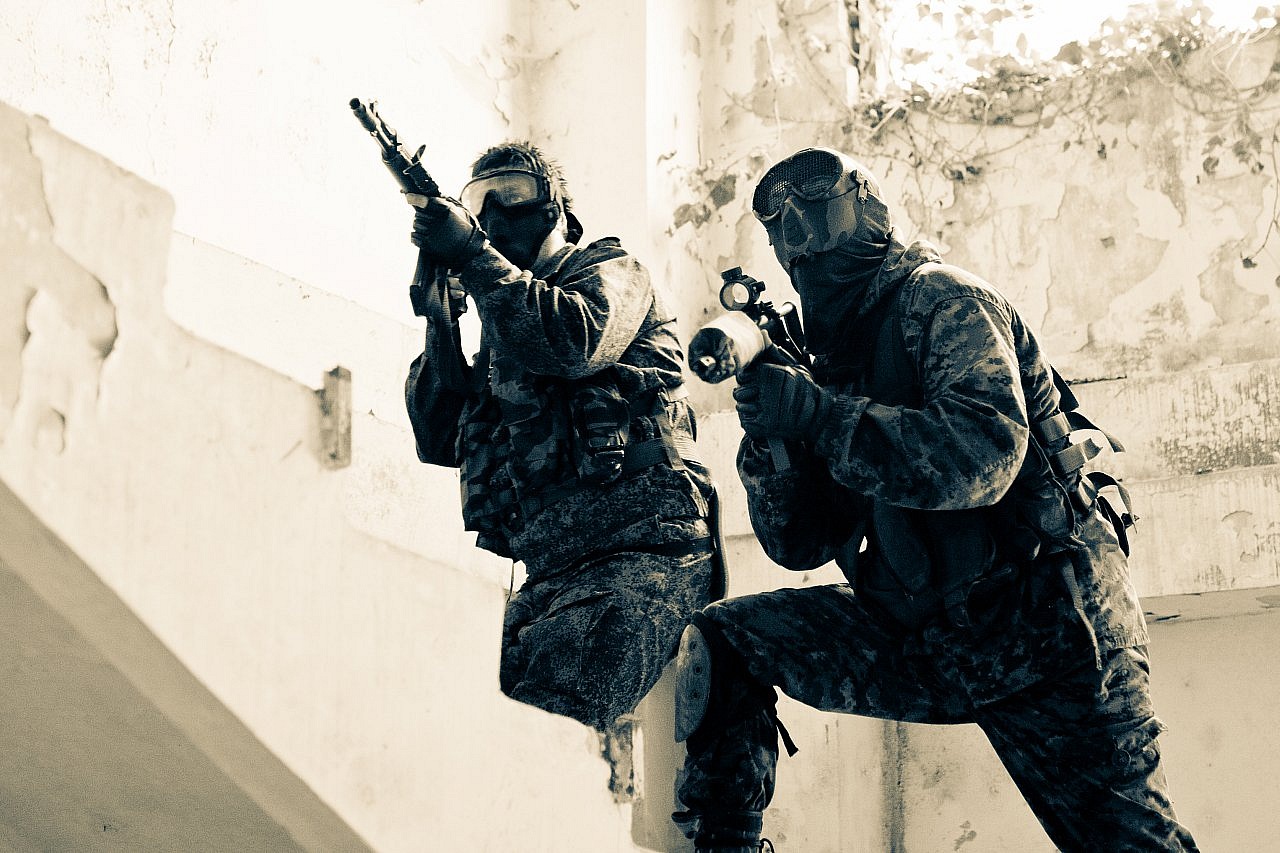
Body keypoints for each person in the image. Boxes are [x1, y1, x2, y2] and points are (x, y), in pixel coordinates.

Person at [669, 147, 1199, 852]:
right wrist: (776, 440)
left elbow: (983, 458)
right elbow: (798, 543)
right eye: (782, 227)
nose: (802, 241)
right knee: (729, 642)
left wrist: (823, 417)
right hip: (928, 637)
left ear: (867, 209)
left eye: (816, 207)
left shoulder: (942, 300)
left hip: (1050, 633)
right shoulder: (829, 358)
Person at [402, 141, 722, 732]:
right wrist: (440, 320)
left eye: (513, 194)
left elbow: (573, 343)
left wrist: (474, 256)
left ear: (556, 210)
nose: (493, 214)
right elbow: (437, 438)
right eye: (478, 201)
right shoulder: (502, 329)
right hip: (549, 576)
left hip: (644, 553)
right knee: (459, 720)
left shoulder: (611, 273)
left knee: (548, 730)